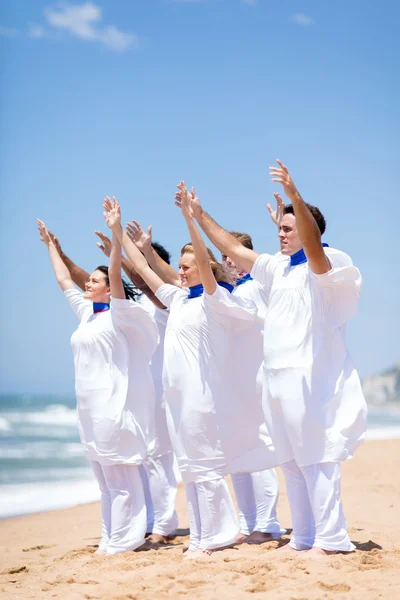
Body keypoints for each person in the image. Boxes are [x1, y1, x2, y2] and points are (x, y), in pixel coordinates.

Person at [181, 161, 367, 556]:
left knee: (317, 457)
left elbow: (315, 251)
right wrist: (198, 215)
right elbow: (232, 249)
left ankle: (332, 540)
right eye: (279, 228)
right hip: (276, 381)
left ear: (306, 230)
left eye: (287, 228)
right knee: (292, 462)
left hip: (310, 380)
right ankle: (303, 537)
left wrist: (296, 197)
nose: (279, 234)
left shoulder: (328, 266)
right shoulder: (277, 268)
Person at [104, 188, 276, 559]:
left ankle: (219, 534)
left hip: (204, 397)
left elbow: (201, 256)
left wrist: (190, 219)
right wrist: (118, 232)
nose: (179, 271)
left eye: (185, 265)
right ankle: (200, 537)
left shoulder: (215, 300)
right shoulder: (178, 298)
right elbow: (145, 269)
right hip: (176, 398)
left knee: (206, 466)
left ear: (202, 266)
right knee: (190, 469)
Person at [37, 202, 159, 555]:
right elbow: (63, 280)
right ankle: (110, 538)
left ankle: (127, 538)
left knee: (121, 480)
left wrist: (117, 235)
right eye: (89, 279)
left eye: (95, 280)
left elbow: (117, 272)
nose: (87, 282)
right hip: (88, 409)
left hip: (113, 407)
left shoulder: (119, 316)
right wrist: (50, 246)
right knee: (104, 482)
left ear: (110, 288)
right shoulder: (86, 313)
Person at [222, 231, 283, 544]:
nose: (228, 262)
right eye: (224, 257)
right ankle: (246, 524)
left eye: (233, 255)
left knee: (260, 448)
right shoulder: (227, 292)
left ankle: (268, 523)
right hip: (235, 379)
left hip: (258, 373)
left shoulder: (259, 285)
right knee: (238, 451)